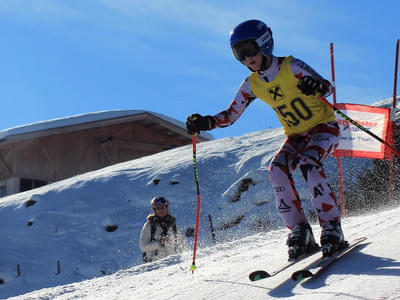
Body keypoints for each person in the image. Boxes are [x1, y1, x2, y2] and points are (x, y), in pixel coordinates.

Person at [186, 19, 346, 260]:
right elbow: (231, 115)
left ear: (264, 44)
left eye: (249, 50)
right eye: (239, 54)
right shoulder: (253, 84)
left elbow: (327, 87)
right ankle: (300, 231)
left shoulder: (291, 66)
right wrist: (206, 122)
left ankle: (332, 227)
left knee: (309, 163)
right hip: (296, 136)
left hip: (324, 128)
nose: (246, 59)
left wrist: (315, 86)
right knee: (276, 170)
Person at [139, 197, 186, 263]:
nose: (161, 210)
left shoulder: (173, 225)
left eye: (163, 207)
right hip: (152, 266)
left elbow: (182, 244)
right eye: (158, 208)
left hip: (170, 264)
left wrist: (186, 258)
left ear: (167, 208)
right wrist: (159, 243)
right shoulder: (149, 225)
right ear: (154, 209)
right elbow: (142, 247)